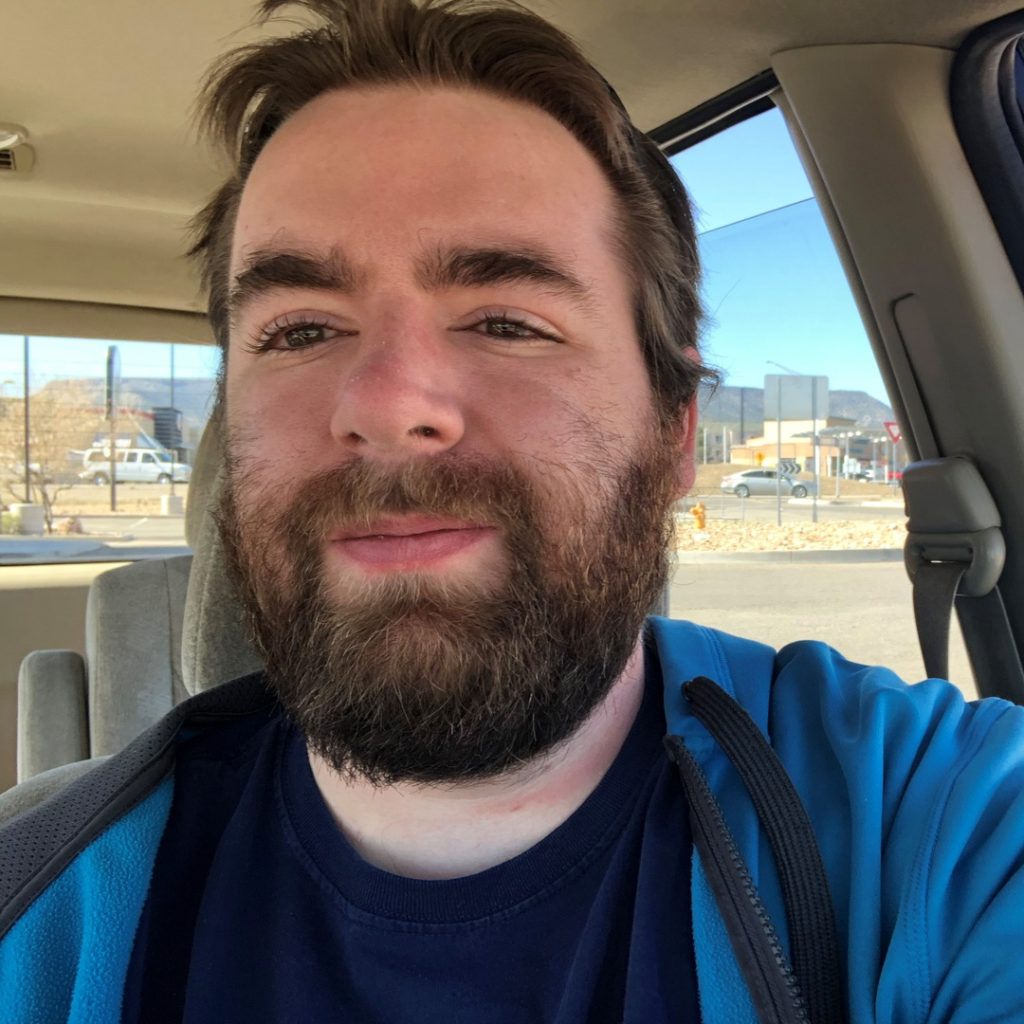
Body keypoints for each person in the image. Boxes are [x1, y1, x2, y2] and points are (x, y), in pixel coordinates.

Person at [2, 1, 1023, 1021]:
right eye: (302, 327)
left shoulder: (935, 828)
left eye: (505, 320)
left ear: (675, 432)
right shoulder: (35, 898)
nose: (386, 407)